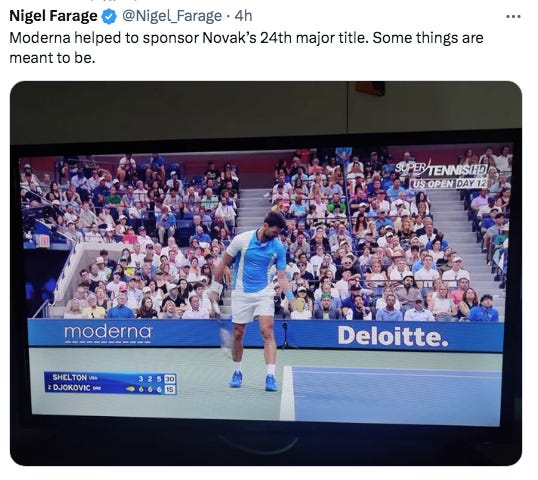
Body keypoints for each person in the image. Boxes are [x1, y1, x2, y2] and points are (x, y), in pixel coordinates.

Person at [213, 211, 292, 392]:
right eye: (275, 231)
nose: (276, 235)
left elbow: (281, 276)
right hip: (241, 292)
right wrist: (215, 289)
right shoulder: (242, 240)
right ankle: (237, 371)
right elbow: (223, 262)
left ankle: (270, 376)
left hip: (264, 292)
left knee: (267, 331)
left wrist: (290, 297)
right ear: (265, 225)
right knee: (238, 334)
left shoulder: (278, 247)